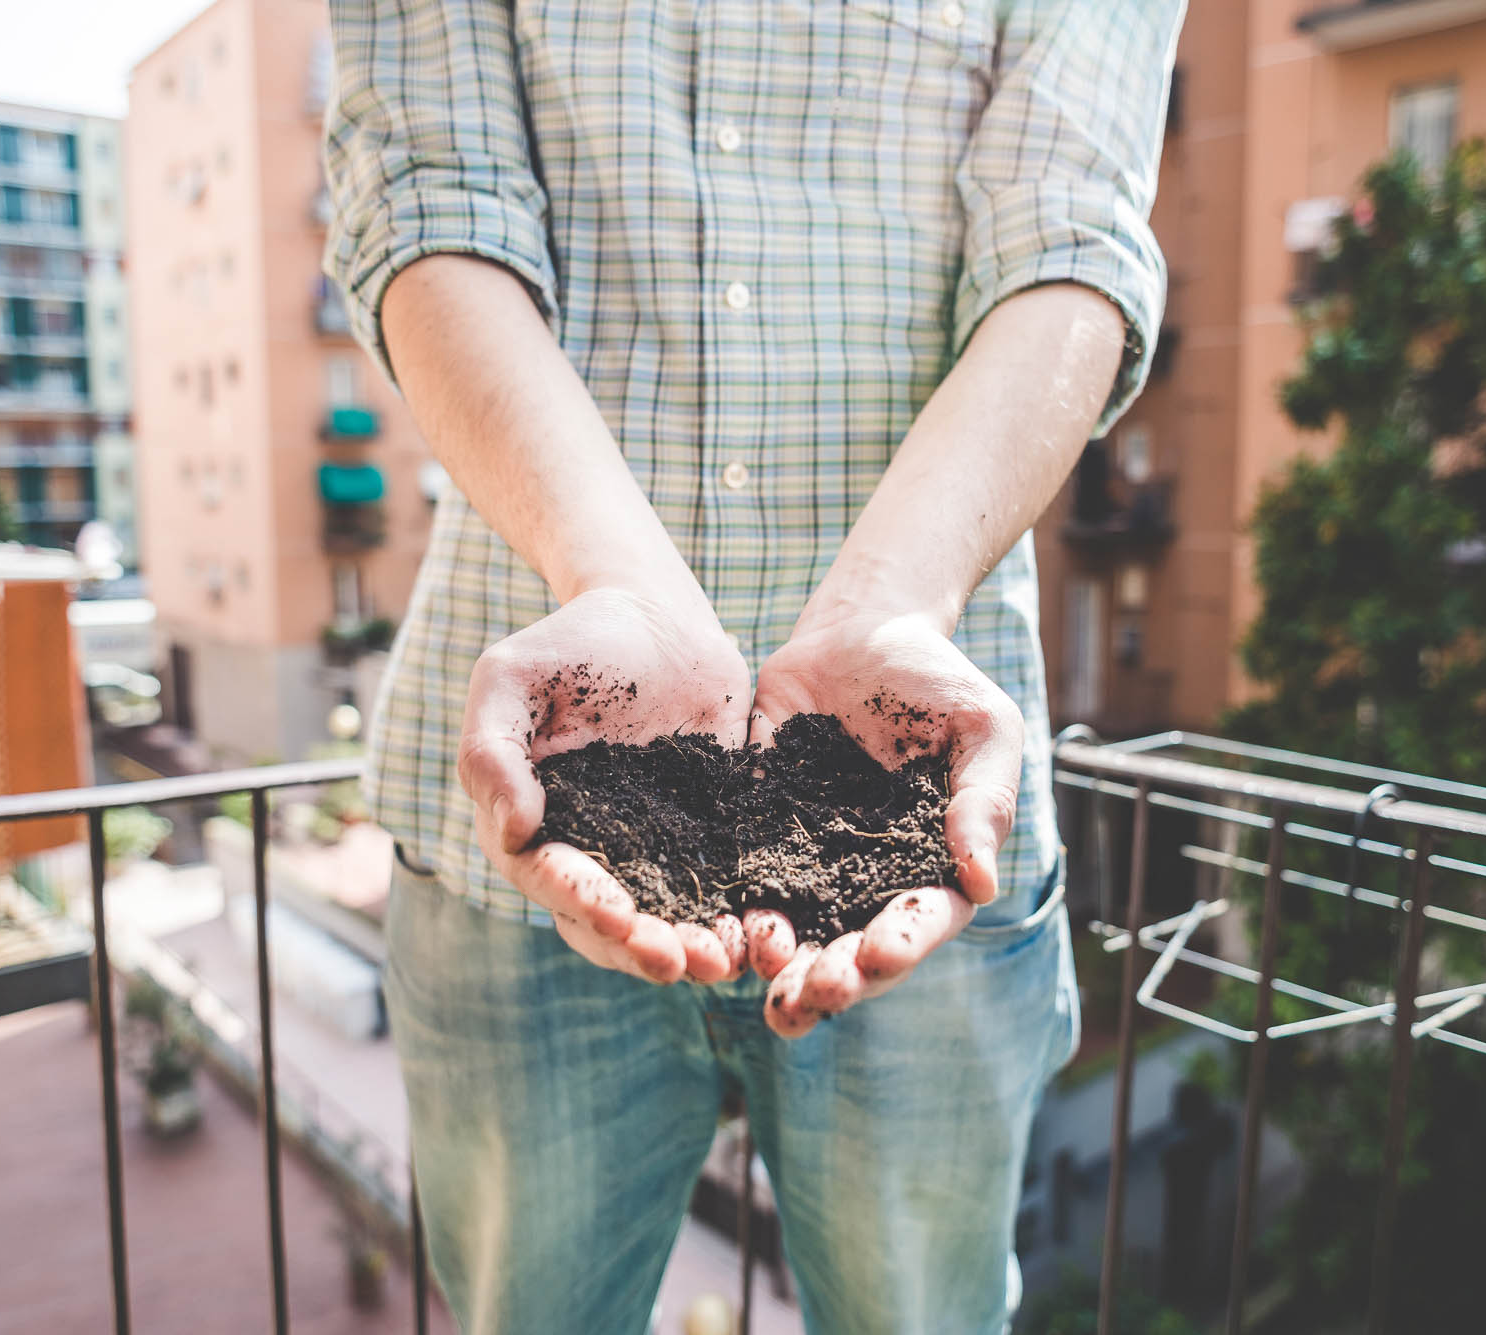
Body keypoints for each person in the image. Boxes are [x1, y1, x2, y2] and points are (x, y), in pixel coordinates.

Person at [324, 1, 1183, 1329]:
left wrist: (889, 604)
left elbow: (1070, 246)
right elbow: (429, 208)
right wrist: (614, 582)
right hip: (532, 806)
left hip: (925, 804)